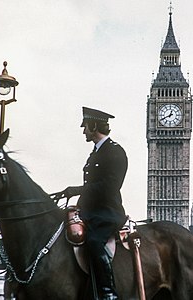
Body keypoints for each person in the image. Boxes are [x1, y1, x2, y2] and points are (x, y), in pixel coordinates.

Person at [62, 107, 128, 300]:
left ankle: (108, 292)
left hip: (107, 213)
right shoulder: (95, 153)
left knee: (93, 241)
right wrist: (76, 204)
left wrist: (77, 190)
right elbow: (91, 186)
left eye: (86, 127)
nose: (83, 131)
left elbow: (109, 186)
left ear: (94, 125)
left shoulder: (115, 152)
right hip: (90, 211)